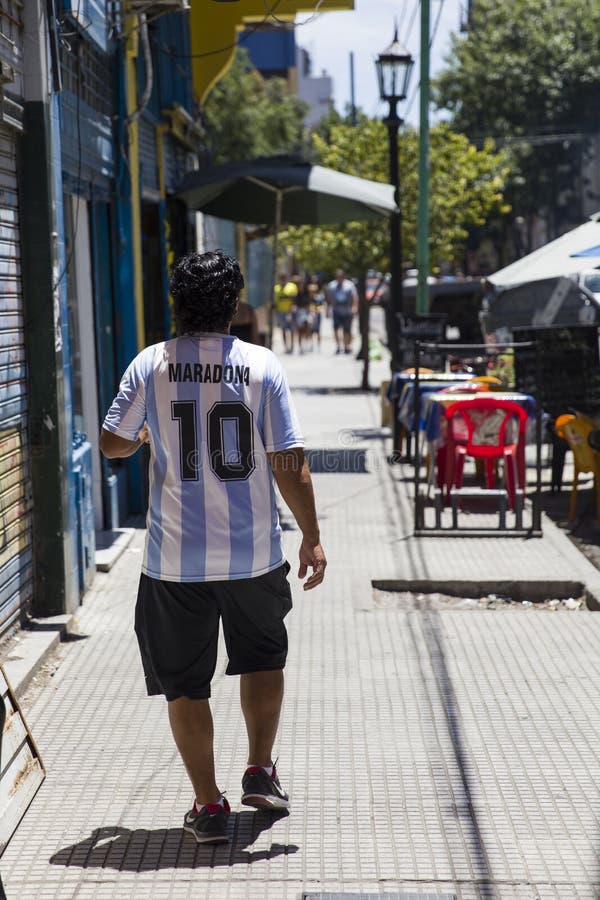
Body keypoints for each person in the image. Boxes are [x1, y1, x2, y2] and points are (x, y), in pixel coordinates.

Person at [99, 250, 326, 845]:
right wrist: (312, 536)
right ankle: (259, 770)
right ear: (234, 305)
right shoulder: (261, 366)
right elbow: (288, 461)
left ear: (176, 302)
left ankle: (209, 804)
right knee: (263, 659)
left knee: (184, 685)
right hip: (254, 554)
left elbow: (111, 443)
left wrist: (145, 433)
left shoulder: (151, 365)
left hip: (173, 563)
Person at [326, 269, 359, 354]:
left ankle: (346, 346)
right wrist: (327, 309)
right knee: (336, 329)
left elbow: (355, 297)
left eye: (341, 277)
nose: (339, 278)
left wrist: (354, 307)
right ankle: (338, 346)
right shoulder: (332, 285)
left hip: (347, 311)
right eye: (338, 277)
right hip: (336, 310)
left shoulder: (349, 285)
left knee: (346, 330)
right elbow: (328, 299)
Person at [273, 271, 298, 354]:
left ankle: (292, 346)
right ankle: (286, 347)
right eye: (281, 278)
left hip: (289, 312)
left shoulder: (292, 287)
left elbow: (294, 300)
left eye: (284, 278)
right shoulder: (276, 288)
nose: (283, 279)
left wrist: (290, 312)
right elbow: (276, 302)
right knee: (283, 330)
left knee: (291, 330)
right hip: (281, 312)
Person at [293, 275, 313, 354]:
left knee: (307, 326)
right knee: (299, 330)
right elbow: (294, 303)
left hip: (306, 311)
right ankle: (301, 346)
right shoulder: (296, 293)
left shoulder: (307, 292)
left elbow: (310, 302)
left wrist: (311, 311)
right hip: (298, 311)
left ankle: (307, 343)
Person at [307, 275, 325, 351]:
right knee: (310, 331)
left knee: (318, 331)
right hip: (310, 314)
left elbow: (321, 306)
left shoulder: (319, 296)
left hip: (317, 314)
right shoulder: (307, 297)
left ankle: (318, 346)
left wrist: (316, 311)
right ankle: (311, 345)